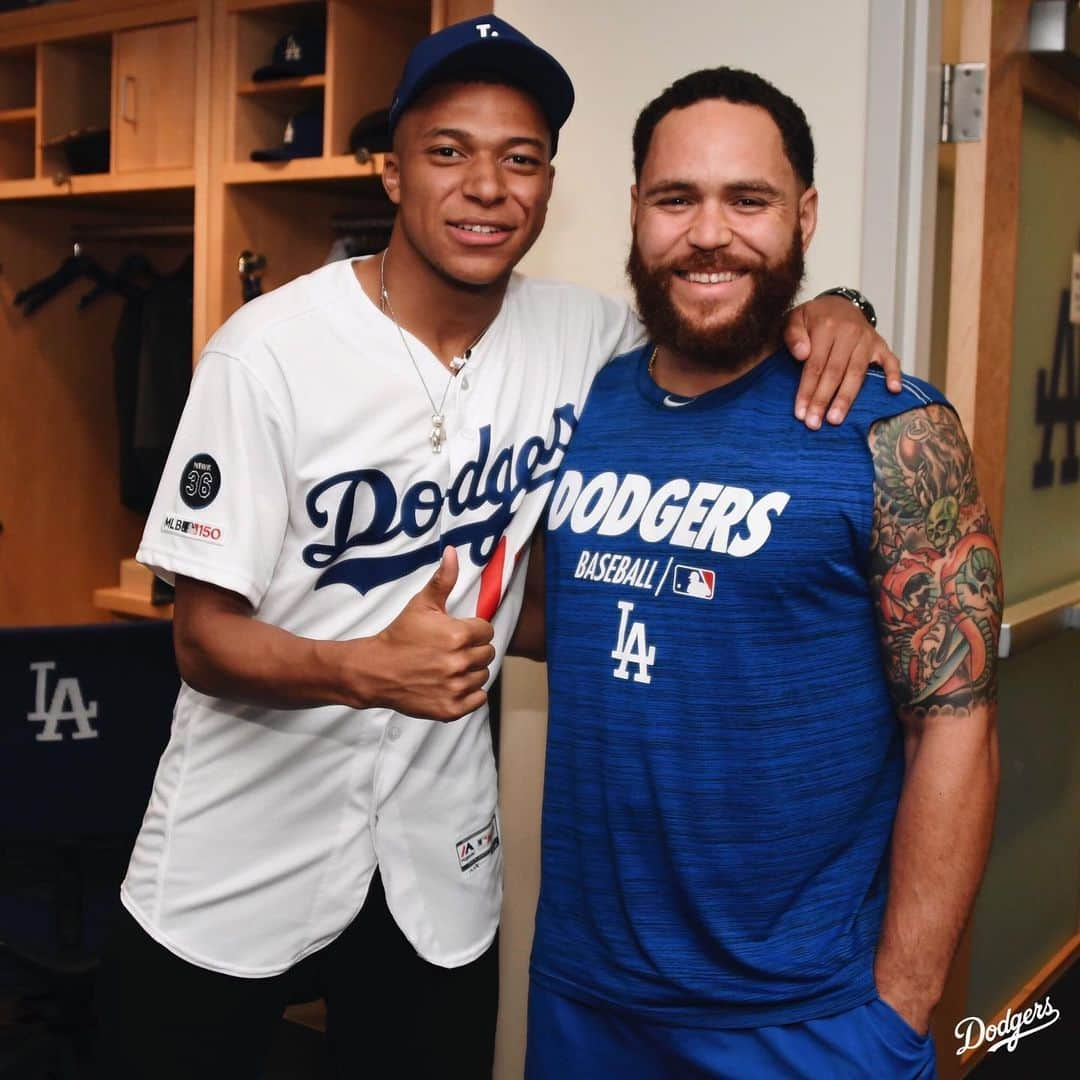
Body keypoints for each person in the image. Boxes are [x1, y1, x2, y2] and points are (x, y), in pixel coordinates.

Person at [95, 19, 900, 1080]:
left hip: (437, 861)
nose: (486, 186)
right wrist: (356, 668)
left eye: (519, 160)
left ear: (552, 187)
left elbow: (720, 308)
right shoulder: (267, 354)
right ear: (391, 171)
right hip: (239, 846)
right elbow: (198, 640)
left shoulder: (587, 341)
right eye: (448, 152)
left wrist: (839, 307)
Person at [525, 68, 1002, 1079]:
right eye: (676, 199)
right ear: (636, 214)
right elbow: (552, 615)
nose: (710, 233)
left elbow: (955, 722)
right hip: (586, 999)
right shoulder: (585, 402)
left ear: (805, 215)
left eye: (749, 200)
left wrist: (901, 1010)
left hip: (809, 1021)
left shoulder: (893, 430)